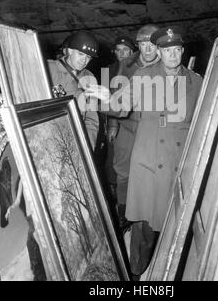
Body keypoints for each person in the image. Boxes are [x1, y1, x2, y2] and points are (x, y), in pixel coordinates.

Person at [86, 26, 203, 279]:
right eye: (166, 50)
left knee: (176, 226)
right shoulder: (143, 76)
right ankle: (136, 274)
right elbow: (122, 105)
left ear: (182, 51)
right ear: (159, 53)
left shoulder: (197, 81)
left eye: (176, 49)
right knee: (145, 229)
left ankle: (168, 272)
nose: (172, 55)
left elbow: (204, 120)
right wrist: (104, 98)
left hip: (180, 163)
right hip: (150, 161)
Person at [107, 25, 160, 232]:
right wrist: (112, 124)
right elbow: (115, 93)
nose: (147, 50)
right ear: (137, 45)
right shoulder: (127, 64)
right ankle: (123, 213)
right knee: (122, 169)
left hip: (151, 129)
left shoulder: (167, 63)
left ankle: (147, 215)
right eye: (143, 45)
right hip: (127, 125)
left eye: (152, 45)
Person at [47, 30, 100, 151]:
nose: (84, 60)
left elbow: (91, 119)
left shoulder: (90, 78)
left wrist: (88, 148)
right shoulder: (49, 69)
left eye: (88, 57)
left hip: (75, 139)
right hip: (49, 136)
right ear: (70, 51)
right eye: (80, 54)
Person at [105, 35, 136, 203]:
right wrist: (112, 124)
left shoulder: (138, 69)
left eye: (126, 50)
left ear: (132, 52)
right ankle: (114, 195)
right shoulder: (110, 70)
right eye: (118, 50)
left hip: (133, 121)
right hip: (116, 122)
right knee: (113, 158)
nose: (122, 53)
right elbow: (107, 100)